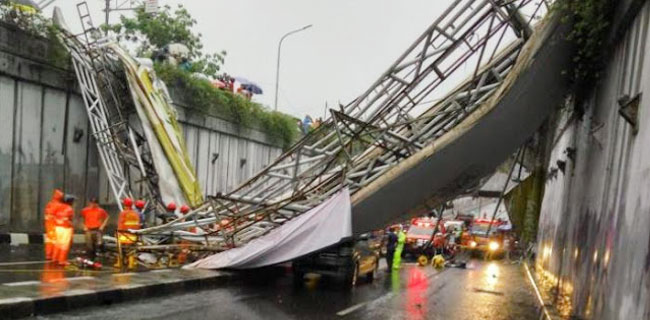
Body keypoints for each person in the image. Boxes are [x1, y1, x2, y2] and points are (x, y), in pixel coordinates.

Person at [115, 198, 141, 269]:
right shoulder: (136, 213)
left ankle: (119, 262)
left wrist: (118, 234)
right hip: (133, 235)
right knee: (131, 249)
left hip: (124, 235)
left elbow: (120, 225)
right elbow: (138, 225)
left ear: (124, 205)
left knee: (119, 247)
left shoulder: (123, 213)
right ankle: (131, 264)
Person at [52, 194, 75, 266]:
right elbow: (69, 219)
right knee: (64, 245)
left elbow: (53, 216)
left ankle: (55, 258)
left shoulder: (58, 206)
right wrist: (71, 225)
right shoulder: (69, 209)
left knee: (58, 243)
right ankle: (62, 260)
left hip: (57, 227)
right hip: (66, 228)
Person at [44, 189, 64, 260]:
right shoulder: (59, 205)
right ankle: (54, 255)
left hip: (50, 225)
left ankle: (49, 254)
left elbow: (47, 215)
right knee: (56, 241)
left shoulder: (50, 204)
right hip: (55, 225)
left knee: (50, 240)